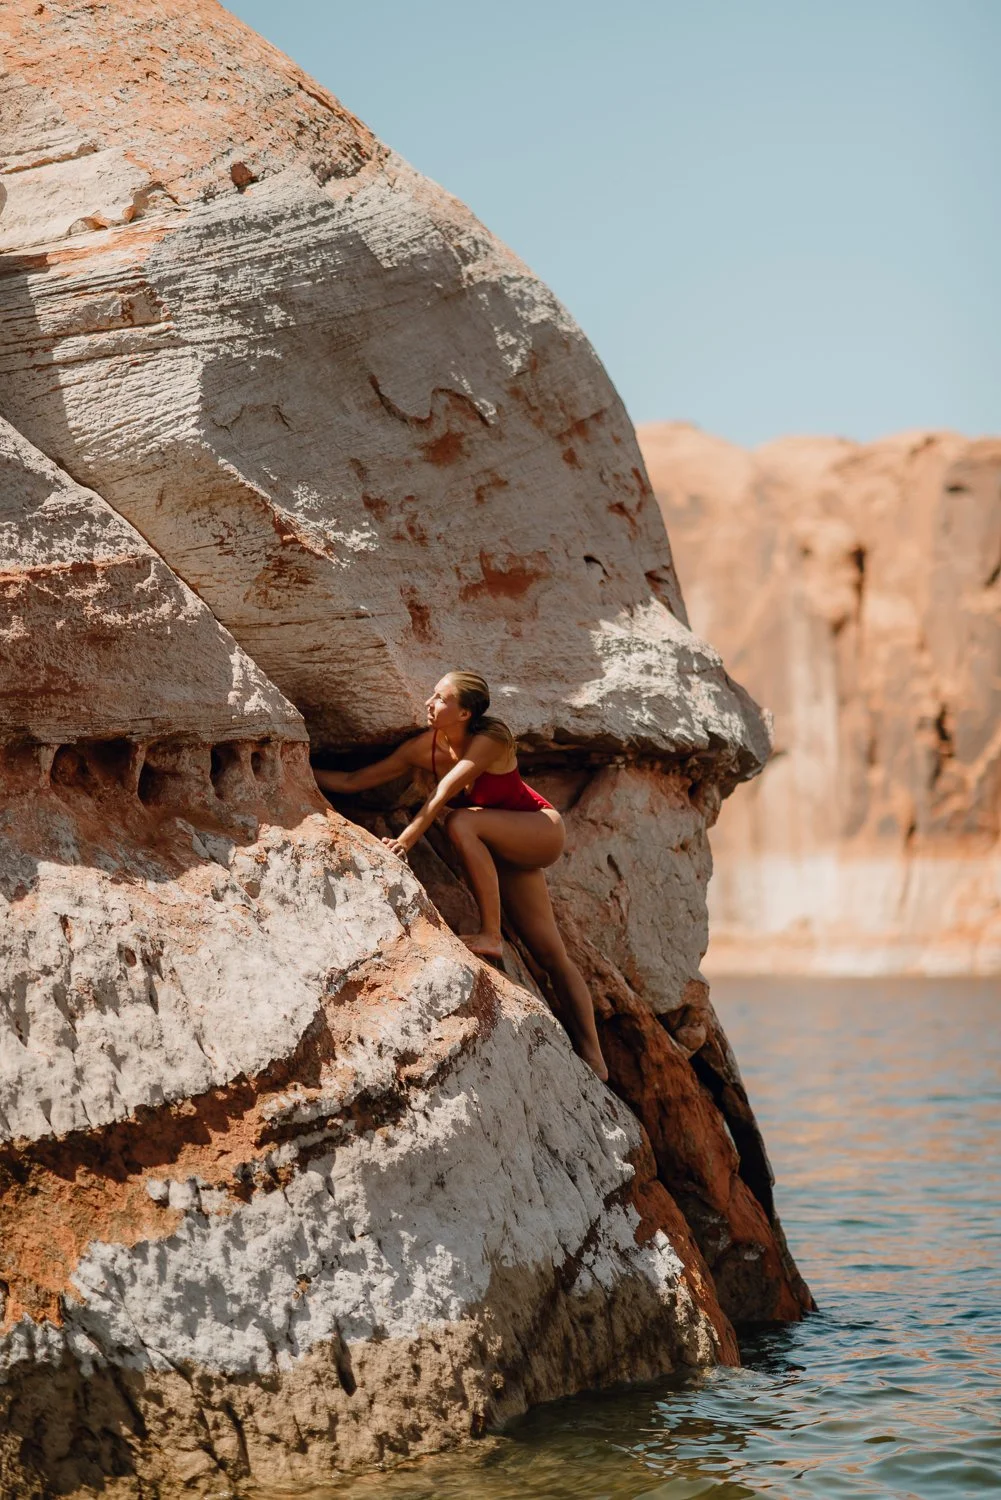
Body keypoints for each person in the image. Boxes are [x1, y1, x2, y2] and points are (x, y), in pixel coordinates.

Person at [314, 671, 608, 1080]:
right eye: (432, 694)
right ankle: (596, 1062)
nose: (430, 703)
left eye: (441, 698)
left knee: (460, 823)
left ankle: (491, 935)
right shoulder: (425, 748)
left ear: (465, 712)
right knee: (550, 953)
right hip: (501, 843)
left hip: (539, 831)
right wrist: (294, 764)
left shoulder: (493, 738)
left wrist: (407, 838)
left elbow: (445, 791)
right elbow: (354, 780)